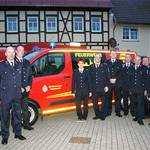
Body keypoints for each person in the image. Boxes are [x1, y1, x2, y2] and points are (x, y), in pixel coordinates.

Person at [0, 47, 26, 145]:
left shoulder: (19, 64)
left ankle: (18, 133)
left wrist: (23, 86)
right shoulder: (1, 65)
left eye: (12, 52)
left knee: (17, 115)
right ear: (5, 54)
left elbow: (21, 77)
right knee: (5, 117)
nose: (11, 54)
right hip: (5, 95)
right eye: (9, 52)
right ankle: (5, 136)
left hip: (17, 95)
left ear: (15, 53)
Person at [15, 45, 34, 130]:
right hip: (16, 91)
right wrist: (19, 87)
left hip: (26, 91)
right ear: (16, 51)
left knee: (25, 109)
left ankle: (26, 125)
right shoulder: (12, 62)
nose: (21, 52)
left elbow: (30, 75)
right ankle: (16, 127)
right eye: (19, 50)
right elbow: (12, 78)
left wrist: (29, 85)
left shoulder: (27, 62)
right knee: (16, 111)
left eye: (23, 50)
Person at [89, 53, 109, 120]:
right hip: (94, 89)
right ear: (94, 59)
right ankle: (97, 115)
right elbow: (90, 79)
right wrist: (90, 90)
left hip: (103, 88)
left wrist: (106, 86)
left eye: (99, 58)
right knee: (95, 103)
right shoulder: (91, 67)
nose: (98, 59)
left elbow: (107, 77)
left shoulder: (104, 66)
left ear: (100, 59)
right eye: (96, 58)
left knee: (104, 103)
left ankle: (103, 115)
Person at [129, 56, 147, 125]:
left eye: (139, 60)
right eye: (136, 60)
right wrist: (130, 89)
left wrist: (146, 89)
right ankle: (136, 116)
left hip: (141, 90)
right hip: (133, 90)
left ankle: (140, 119)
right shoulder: (131, 68)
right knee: (134, 104)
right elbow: (129, 79)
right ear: (134, 61)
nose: (137, 61)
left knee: (140, 104)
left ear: (140, 61)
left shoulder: (144, 68)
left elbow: (146, 80)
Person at [106, 51, 122, 117]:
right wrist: (109, 79)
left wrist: (116, 79)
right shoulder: (106, 62)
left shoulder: (120, 62)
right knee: (108, 98)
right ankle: (108, 112)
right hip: (109, 83)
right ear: (110, 55)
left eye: (114, 54)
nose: (113, 54)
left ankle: (117, 112)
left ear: (116, 55)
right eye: (112, 53)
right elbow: (105, 72)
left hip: (117, 83)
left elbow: (121, 73)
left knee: (117, 98)